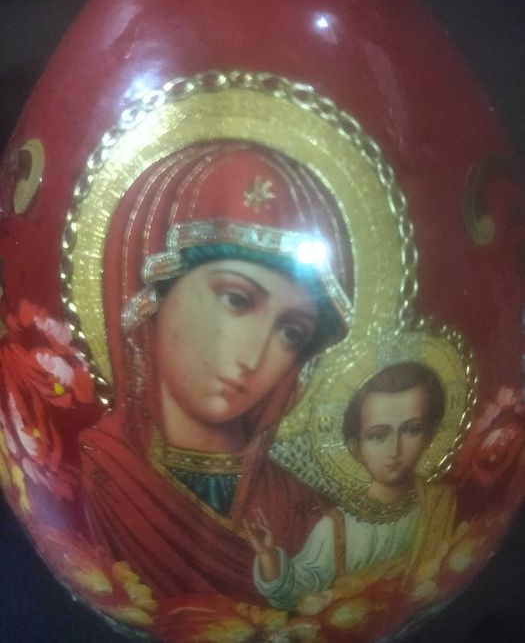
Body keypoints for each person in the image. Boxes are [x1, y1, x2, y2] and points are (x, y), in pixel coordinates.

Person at [78, 141, 354, 601]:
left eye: (291, 332)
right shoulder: (88, 472)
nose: (253, 357)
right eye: (237, 299)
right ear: (154, 293)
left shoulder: (308, 516)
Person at [249, 362, 457, 610]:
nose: (395, 449)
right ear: (356, 447)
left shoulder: (438, 503)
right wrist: (268, 557)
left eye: (412, 430)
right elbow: (303, 592)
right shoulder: (337, 528)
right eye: (378, 435)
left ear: (429, 436)